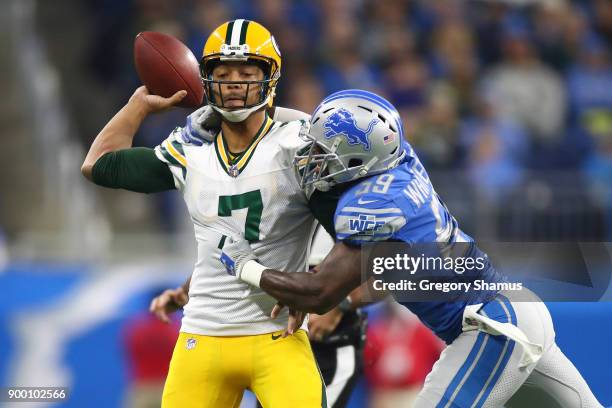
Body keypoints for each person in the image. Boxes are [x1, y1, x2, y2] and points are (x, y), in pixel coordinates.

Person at [219, 89, 603, 407]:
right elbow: (397, 273)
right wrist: (347, 302)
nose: (312, 158)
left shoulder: (368, 206)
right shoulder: (397, 162)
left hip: (491, 324)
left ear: (356, 158)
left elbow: (319, 293)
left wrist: (242, 265)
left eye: (322, 151)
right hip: (515, 308)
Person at [82, 19, 329, 408]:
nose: (233, 82)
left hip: (275, 334)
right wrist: (138, 105)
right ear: (205, 79)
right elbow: (98, 164)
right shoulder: (189, 148)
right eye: (222, 72)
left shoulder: (297, 146)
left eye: (247, 72)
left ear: (270, 78)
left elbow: (340, 224)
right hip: (203, 333)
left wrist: (315, 283)